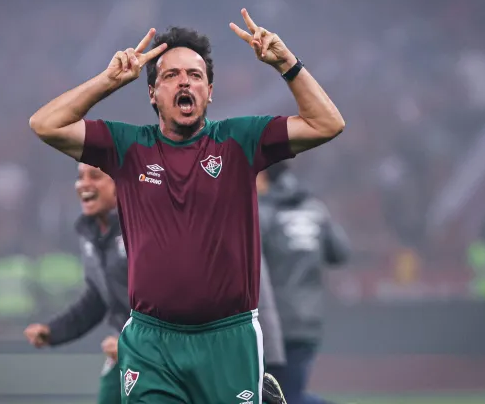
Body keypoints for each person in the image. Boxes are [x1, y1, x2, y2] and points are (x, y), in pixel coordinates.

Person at [29, 8, 345, 404]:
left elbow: (327, 124)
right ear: (152, 93)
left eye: (195, 76)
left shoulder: (239, 140)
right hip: (151, 344)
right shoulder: (127, 147)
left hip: (228, 339)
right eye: (171, 75)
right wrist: (107, 83)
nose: (185, 83)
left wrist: (287, 65)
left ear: (209, 92)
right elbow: (45, 125)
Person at [24, 163, 288, 404]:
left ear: (121, 184)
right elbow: (97, 297)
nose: (84, 184)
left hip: (170, 345)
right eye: (80, 177)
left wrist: (138, 344)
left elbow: (183, 290)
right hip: (134, 347)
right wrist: (54, 332)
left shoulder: (147, 225)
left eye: (95, 176)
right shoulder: (91, 234)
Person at [257, 163, 351, 404]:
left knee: (278, 396)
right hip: (307, 321)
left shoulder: (261, 212)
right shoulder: (315, 209)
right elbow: (340, 253)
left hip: (273, 325)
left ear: (264, 176)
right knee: (282, 393)